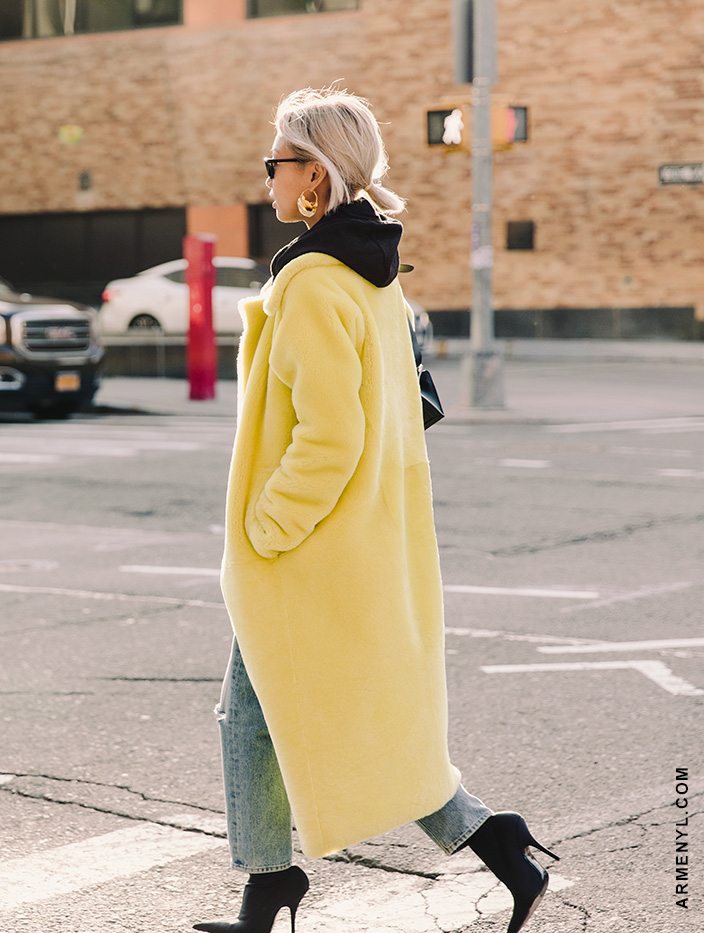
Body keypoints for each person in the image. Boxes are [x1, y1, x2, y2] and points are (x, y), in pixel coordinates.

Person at [195, 87, 558, 933]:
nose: (268, 182)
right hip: (358, 542)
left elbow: (331, 435)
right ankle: (491, 842)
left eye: (277, 164)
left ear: (315, 177)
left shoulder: (317, 284)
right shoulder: (371, 275)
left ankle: (274, 885)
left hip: (308, 549)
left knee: (267, 714)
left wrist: (267, 527)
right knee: (326, 711)